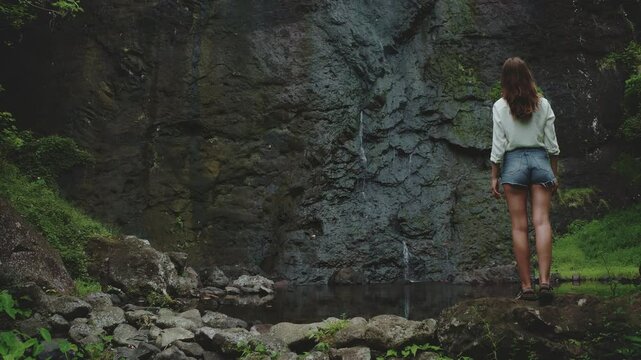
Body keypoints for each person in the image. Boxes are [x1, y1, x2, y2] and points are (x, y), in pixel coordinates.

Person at [489, 57, 560, 304]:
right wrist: (554, 172)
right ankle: (545, 283)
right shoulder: (544, 104)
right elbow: (552, 145)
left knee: (519, 226)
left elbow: (498, 146)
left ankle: (527, 287)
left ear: (504, 79)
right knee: (542, 222)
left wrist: (494, 175)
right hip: (541, 161)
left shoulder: (499, 106)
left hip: (514, 164)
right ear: (528, 75)